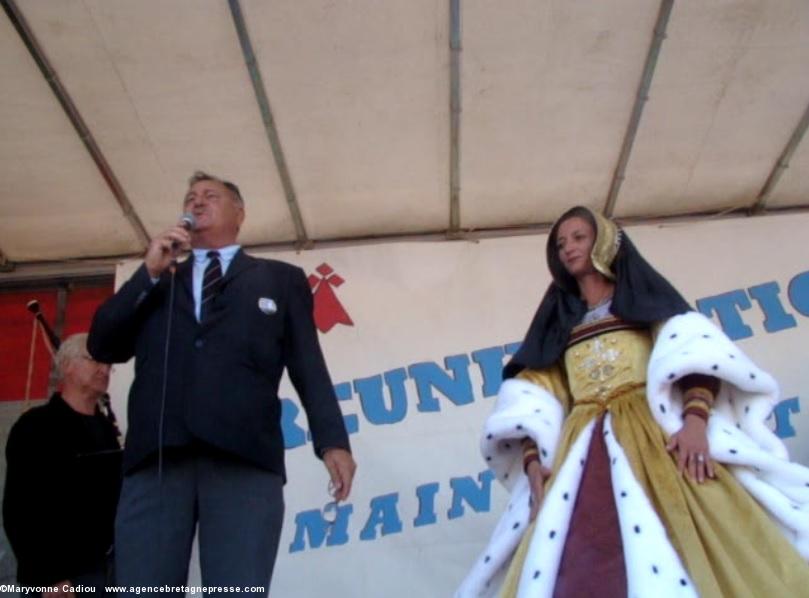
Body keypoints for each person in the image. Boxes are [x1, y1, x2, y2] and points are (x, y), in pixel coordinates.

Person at [457, 206, 809, 597]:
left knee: (704, 529)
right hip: (581, 447)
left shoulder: (643, 304)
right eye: (561, 243)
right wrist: (532, 460)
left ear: (604, 241)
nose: (569, 248)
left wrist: (694, 422)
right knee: (577, 550)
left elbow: (692, 354)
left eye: (578, 237)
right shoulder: (560, 325)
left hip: (654, 434)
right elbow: (532, 396)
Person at [88, 171, 356, 595]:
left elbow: (308, 364)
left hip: (244, 458)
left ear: (240, 214)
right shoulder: (159, 279)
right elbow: (103, 343)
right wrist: (149, 272)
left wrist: (333, 441)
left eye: (211, 196)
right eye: (190, 197)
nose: (196, 203)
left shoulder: (280, 279)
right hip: (157, 458)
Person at [3, 333, 122, 597]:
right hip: (61, 577)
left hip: (109, 571)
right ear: (66, 364)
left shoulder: (108, 430)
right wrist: (46, 576)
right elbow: (20, 507)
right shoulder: (36, 427)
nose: (104, 369)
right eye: (94, 360)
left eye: (108, 364)